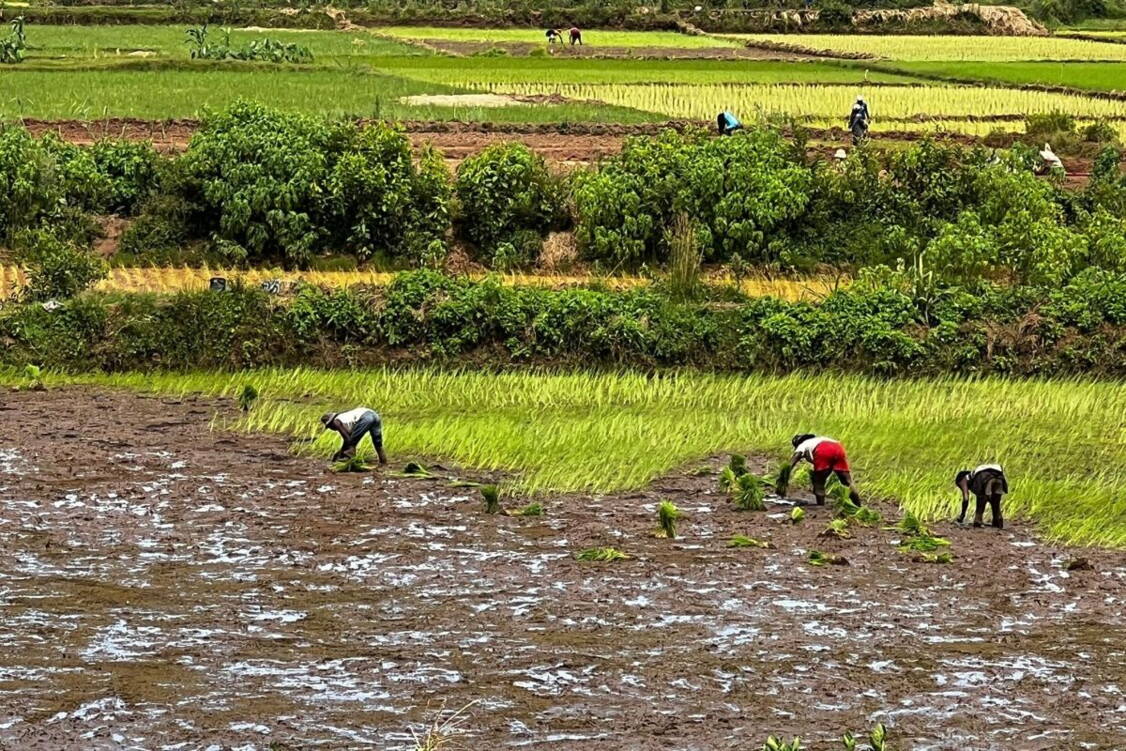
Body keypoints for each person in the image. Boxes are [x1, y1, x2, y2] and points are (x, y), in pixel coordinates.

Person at [788, 433, 862, 506]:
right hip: (838, 448)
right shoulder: (818, 439)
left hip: (823, 450)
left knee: (818, 481)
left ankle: (820, 506)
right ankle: (858, 505)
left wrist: (784, 476)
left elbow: (792, 462)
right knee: (847, 481)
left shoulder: (802, 445)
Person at [320, 407, 387, 464]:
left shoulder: (336, 422)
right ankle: (383, 461)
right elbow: (347, 440)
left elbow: (348, 440)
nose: (332, 429)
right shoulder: (344, 418)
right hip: (375, 415)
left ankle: (349, 461)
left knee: (352, 443)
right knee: (377, 442)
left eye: (329, 427)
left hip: (365, 417)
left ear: (331, 423)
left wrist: (340, 454)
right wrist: (341, 451)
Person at [955, 464, 1008, 529]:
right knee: (996, 502)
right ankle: (998, 521)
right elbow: (990, 498)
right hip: (999, 477)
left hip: (985, 476)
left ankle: (978, 521)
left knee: (981, 498)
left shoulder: (962, 480)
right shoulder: (973, 475)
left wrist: (962, 515)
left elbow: (966, 498)